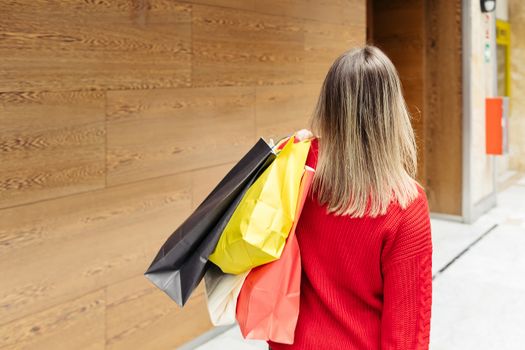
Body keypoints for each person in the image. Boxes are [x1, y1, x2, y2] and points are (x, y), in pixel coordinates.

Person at [268, 45, 433, 350]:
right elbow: (406, 333)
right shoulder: (407, 205)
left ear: (329, 105)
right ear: (392, 111)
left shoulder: (295, 168)